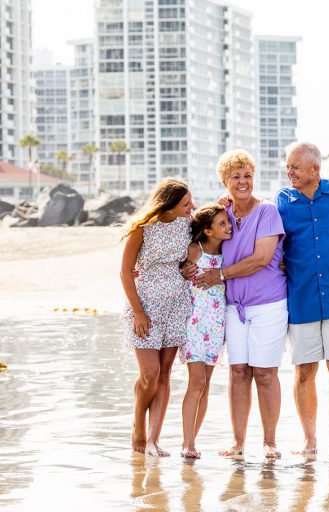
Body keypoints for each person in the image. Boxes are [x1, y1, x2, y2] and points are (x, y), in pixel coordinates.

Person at [195, 149, 288, 460]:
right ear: (225, 181)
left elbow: (262, 259)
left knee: (264, 373)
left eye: (247, 175)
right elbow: (197, 239)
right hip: (233, 307)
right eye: (235, 177)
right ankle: (238, 443)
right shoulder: (221, 215)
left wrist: (219, 275)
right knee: (237, 372)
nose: (243, 181)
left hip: (268, 304)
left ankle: (270, 442)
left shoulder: (268, 212)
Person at [275, 141, 329, 460]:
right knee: (304, 371)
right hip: (302, 298)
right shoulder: (282, 200)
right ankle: (310, 440)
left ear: (315, 170)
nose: (289, 172)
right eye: (288, 166)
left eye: (295, 167)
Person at [120, 178, 194, 457]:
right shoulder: (142, 229)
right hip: (146, 307)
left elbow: (213, 230)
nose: (191, 207)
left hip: (177, 304)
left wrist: (188, 266)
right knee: (149, 374)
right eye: (186, 203)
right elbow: (126, 272)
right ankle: (138, 423)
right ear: (170, 206)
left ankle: (152, 440)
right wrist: (138, 312)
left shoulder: (188, 224)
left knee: (164, 375)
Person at [178, 204, 232, 459]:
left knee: (207, 385)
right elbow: (174, 271)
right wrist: (181, 270)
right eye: (222, 224)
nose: (228, 227)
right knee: (196, 382)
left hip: (216, 325)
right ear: (208, 231)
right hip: (194, 324)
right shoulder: (194, 250)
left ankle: (192, 441)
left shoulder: (228, 252)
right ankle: (187, 443)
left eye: (228, 222)